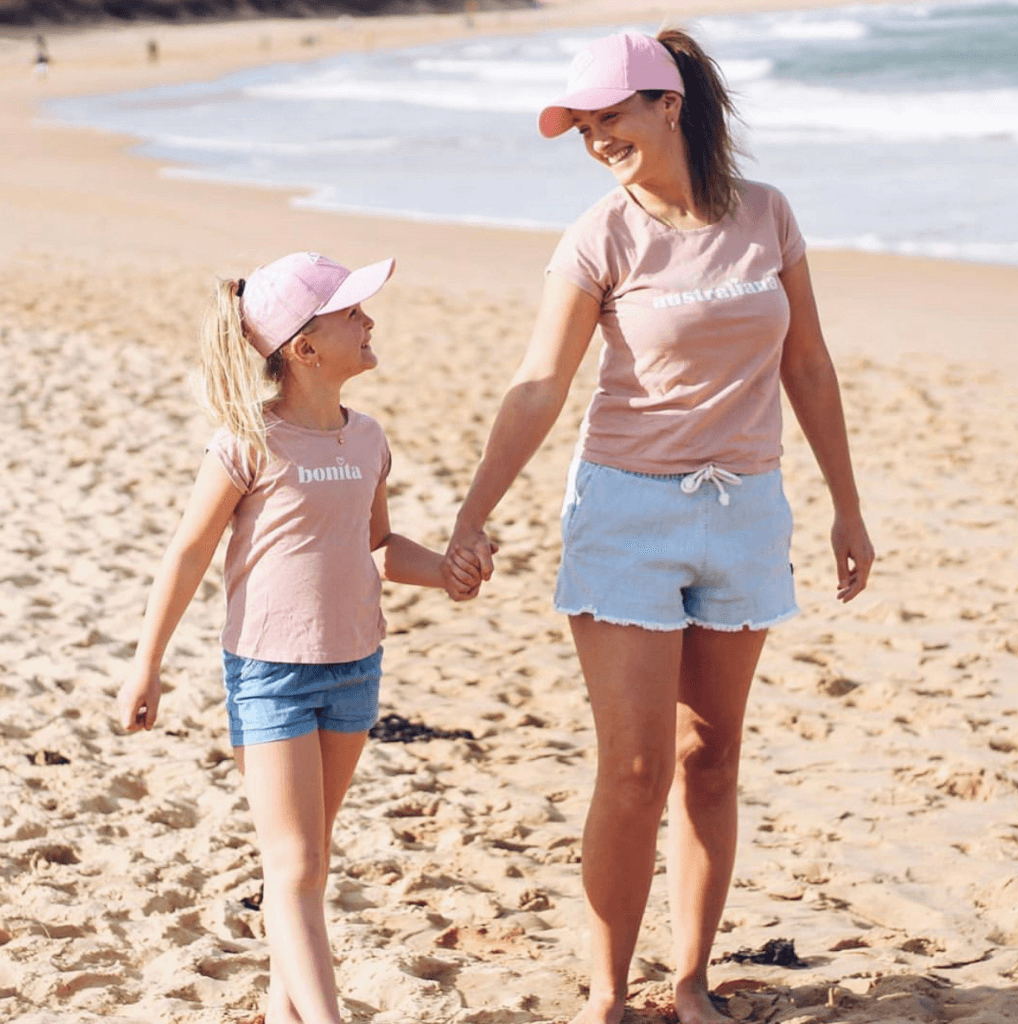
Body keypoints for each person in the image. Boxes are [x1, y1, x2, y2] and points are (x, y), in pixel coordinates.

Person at [444, 29, 874, 1024]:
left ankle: (687, 983)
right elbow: (542, 382)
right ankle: (606, 994)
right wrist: (474, 511)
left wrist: (846, 504)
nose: (597, 138)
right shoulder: (599, 234)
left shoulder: (766, 216)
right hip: (626, 513)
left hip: (747, 511)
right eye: (584, 127)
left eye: (611, 117)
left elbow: (806, 365)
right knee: (634, 769)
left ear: (667, 103)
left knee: (711, 759)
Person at [116, 251, 483, 1024]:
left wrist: (448, 570)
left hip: (355, 667)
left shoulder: (369, 437)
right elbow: (186, 555)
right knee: (296, 865)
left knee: (307, 869)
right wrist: (145, 667)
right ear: (304, 349)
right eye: (352, 313)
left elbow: (378, 546)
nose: (369, 320)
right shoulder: (247, 442)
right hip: (270, 675)